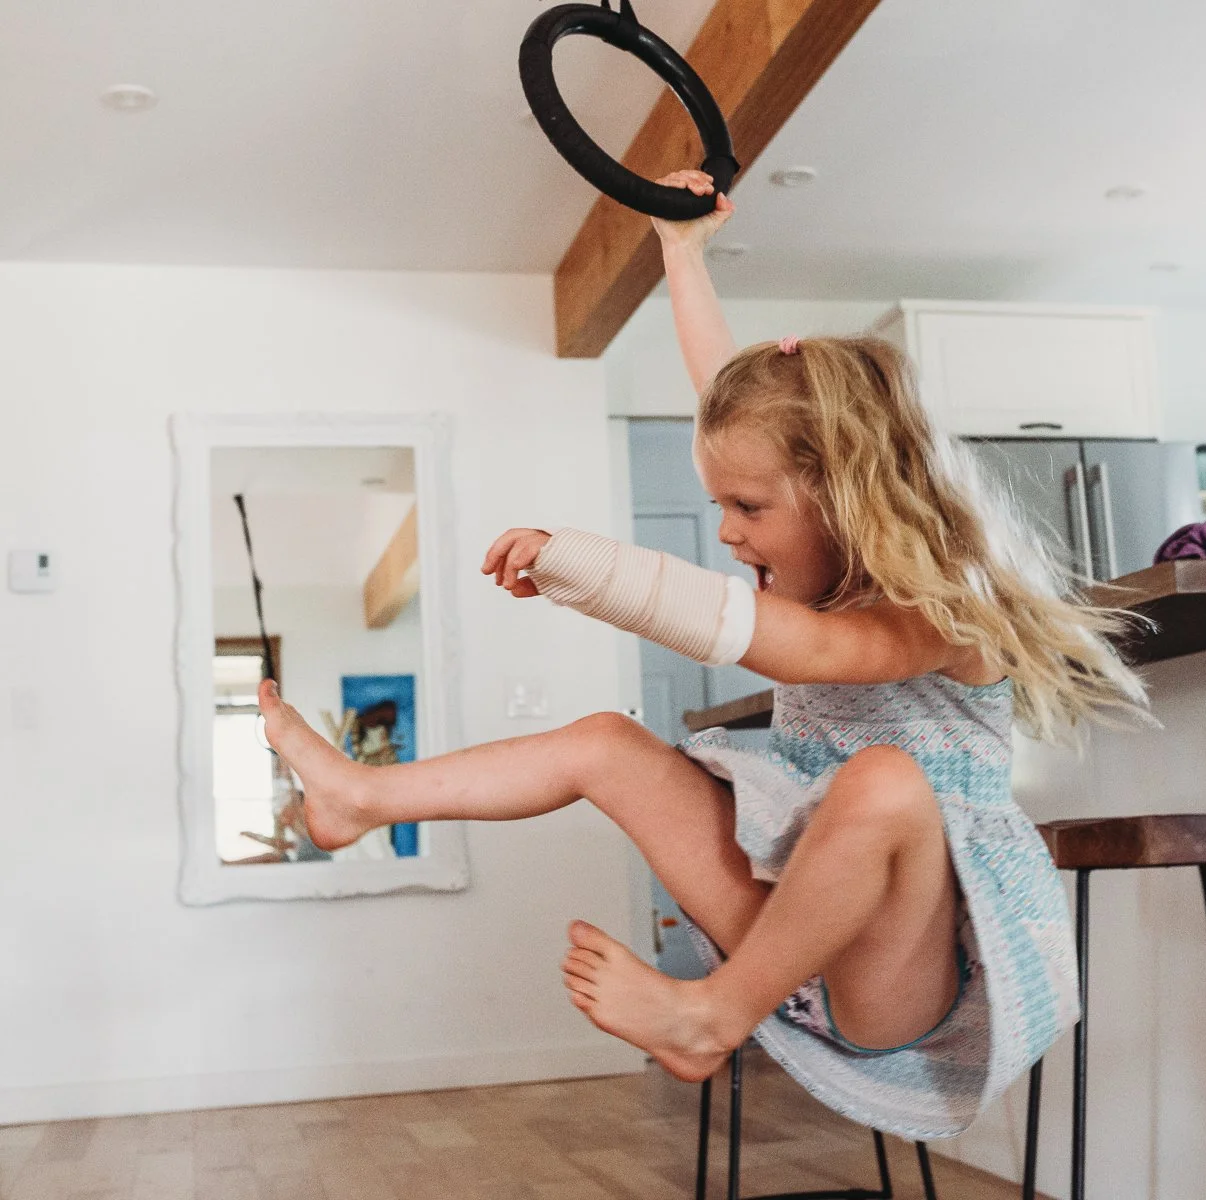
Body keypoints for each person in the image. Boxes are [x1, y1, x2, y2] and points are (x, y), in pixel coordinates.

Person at [257, 170, 1147, 1138]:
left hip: (891, 979)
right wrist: (680, 252)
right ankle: (361, 797)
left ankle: (708, 1015)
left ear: (846, 493)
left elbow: (804, 653)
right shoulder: (802, 527)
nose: (726, 532)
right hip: (787, 934)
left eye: (748, 508)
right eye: (721, 502)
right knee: (604, 741)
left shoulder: (943, 612)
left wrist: (592, 569)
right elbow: (722, 384)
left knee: (887, 782)